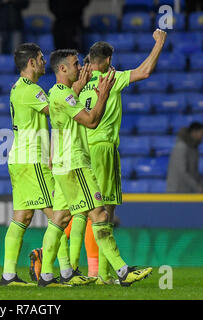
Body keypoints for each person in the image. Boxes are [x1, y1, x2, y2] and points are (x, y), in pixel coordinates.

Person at [30, 29, 167, 283]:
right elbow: (145, 71)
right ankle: (107, 273)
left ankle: (58, 269)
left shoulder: (73, 85)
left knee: (68, 215)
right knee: (103, 214)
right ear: (105, 62)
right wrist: (160, 43)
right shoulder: (110, 78)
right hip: (95, 151)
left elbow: (58, 119)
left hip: (72, 152)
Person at [0, 43, 93, 287]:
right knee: (58, 216)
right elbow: (58, 108)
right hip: (33, 159)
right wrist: (77, 88)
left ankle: (9, 274)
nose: (43, 63)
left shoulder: (17, 88)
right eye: (40, 58)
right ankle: (61, 272)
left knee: (22, 216)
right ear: (31, 63)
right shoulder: (32, 90)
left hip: (19, 158)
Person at [166, 122, 203, 193]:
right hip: (177, 191)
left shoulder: (194, 148)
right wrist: (196, 186)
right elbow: (182, 171)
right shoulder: (181, 147)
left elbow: (195, 170)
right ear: (194, 132)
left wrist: (201, 184)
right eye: (202, 134)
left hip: (189, 191)